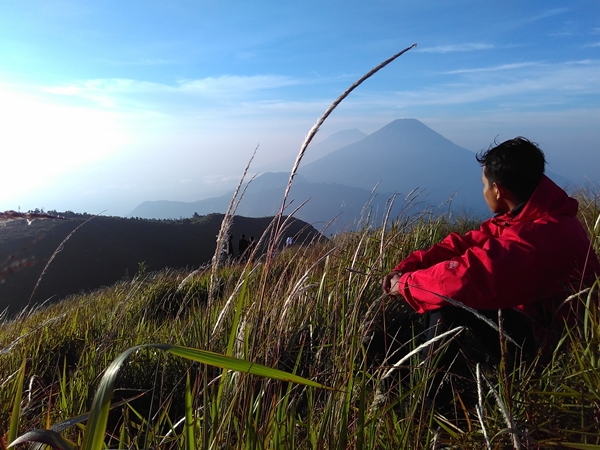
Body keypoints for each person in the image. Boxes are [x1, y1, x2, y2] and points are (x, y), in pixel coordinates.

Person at [382, 137, 600, 365]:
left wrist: (406, 284)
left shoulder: (538, 236)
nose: (483, 190)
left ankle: (427, 393)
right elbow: (465, 244)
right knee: (440, 295)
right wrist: (409, 267)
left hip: (553, 350)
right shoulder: (527, 217)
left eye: (484, 184)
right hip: (535, 322)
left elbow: (464, 278)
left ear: (497, 190)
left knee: (450, 303)